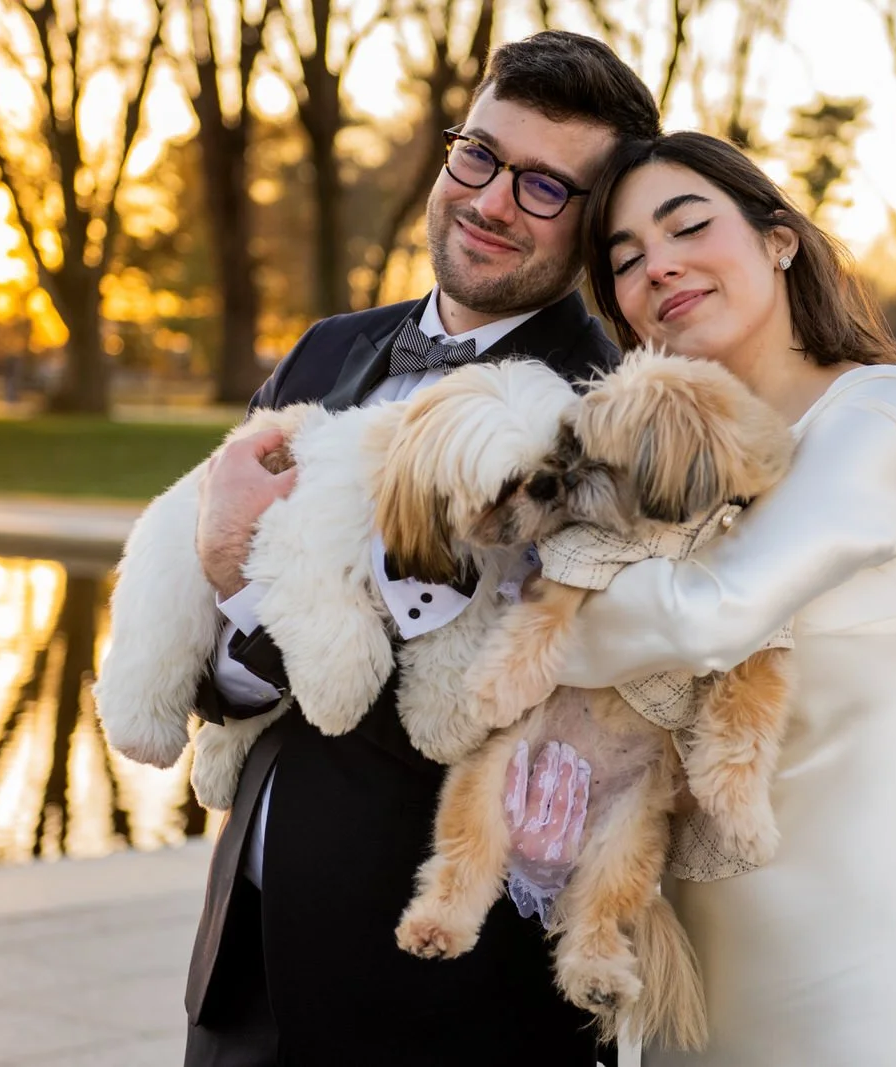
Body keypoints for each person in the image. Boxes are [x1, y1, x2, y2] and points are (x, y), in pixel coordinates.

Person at [178, 31, 660, 1067]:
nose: (489, 200)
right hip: (245, 964)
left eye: (543, 187)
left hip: (444, 995)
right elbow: (206, 634)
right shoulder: (330, 346)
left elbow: (500, 694)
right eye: (477, 154)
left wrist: (238, 572)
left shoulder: (604, 419)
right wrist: (218, 623)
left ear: (591, 229)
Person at [527, 131, 896, 1064]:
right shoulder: (654, 464)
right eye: (625, 262)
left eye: (686, 226)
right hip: (689, 957)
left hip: (863, 951)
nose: (658, 266)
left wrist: (524, 624)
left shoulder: (880, 413)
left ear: (778, 240)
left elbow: (711, 611)